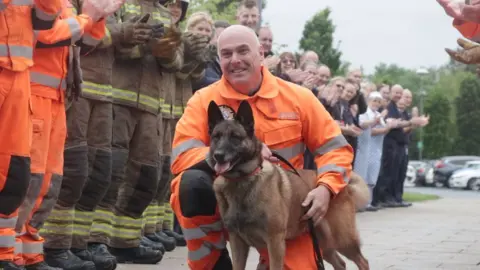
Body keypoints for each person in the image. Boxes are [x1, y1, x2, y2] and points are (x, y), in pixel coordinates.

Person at [169, 25, 353, 269]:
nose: (235, 60)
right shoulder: (204, 100)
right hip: (226, 204)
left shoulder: (299, 98)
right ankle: (213, 264)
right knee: (189, 185)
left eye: (243, 51)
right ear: (219, 59)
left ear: (261, 55)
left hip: (283, 212)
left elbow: (334, 148)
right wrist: (225, 155)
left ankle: (269, 260)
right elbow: (182, 154)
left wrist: (326, 188)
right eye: (226, 54)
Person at [14, 3, 111, 269]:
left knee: (48, 180)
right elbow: (47, 34)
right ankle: (10, 253)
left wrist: (99, 16)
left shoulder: (67, 4)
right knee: (26, 178)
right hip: (31, 96)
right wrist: (88, 16)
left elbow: (87, 41)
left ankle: (30, 252)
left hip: (56, 100)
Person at [0, 1, 63, 269]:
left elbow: (46, 17)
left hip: (18, 73)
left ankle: (3, 253)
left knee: (15, 173)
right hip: (20, 77)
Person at [356, 92, 393, 212]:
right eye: (374, 101)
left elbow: (384, 129)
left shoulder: (379, 115)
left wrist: (387, 126)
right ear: (368, 101)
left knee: (372, 178)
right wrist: (383, 128)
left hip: (376, 150)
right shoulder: (364, 114)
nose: (376, 104)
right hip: (365, 148)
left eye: (378, 101)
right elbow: (367, 129)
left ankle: (368, 202)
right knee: (363, 176)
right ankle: (360, 202)